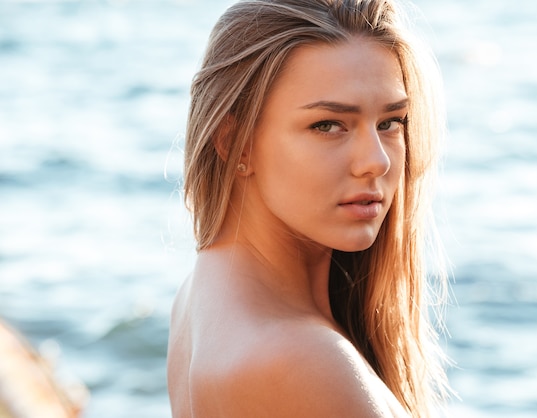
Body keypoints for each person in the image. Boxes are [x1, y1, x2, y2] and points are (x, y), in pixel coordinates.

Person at [167, 0, 450, 416]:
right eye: (328, 125)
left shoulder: (200, 295)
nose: (377, 161)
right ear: (234, 142)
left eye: (390, 122)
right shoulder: (300, 360)